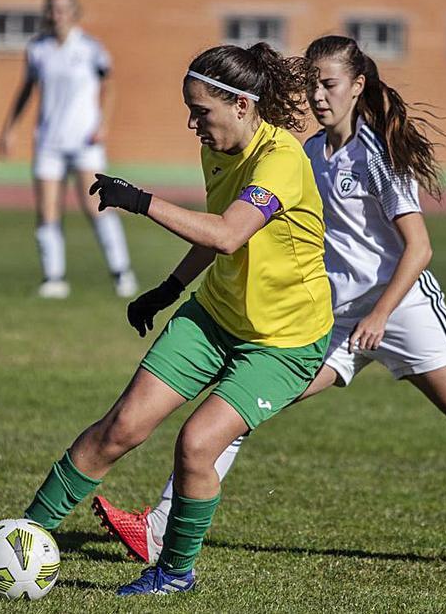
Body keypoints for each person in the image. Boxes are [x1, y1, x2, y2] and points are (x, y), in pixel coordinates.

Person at [92, 34, 446, 566]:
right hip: (334, 321)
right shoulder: (304, 152)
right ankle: (160, 532)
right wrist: (172, 287)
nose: (318, 97)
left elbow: (419, 248)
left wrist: (379, 315)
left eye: (329, 85)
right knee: (237, 409)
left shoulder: (378, 154)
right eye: (312, 87)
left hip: (404, 311)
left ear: (358, 85)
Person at [21, 43, 333, 596]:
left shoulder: (280, 160)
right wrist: (166, 291)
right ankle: (23, 538)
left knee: (196, 444)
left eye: (201, 112)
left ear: (242, 106)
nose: (192, 123)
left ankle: (173, 573)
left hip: (283, 342)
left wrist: (141, 203)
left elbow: (229, 232)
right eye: (189, 110)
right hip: (214, 315)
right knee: (122, 426)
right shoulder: (219, 148)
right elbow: (214, 234)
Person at [0, 0, 137, 299]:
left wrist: (104, 124)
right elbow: (26, 90)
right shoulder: (38, 49)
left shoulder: (90, 48)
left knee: (96, 205)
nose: (56, 15)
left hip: (85, 141)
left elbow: (109, 87)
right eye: (52, 9)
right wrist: (9, 129)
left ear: (74, 13)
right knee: (47, 210)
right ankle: (54, 279)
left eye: (63, 9)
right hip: (48, 142)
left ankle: (122, 273)